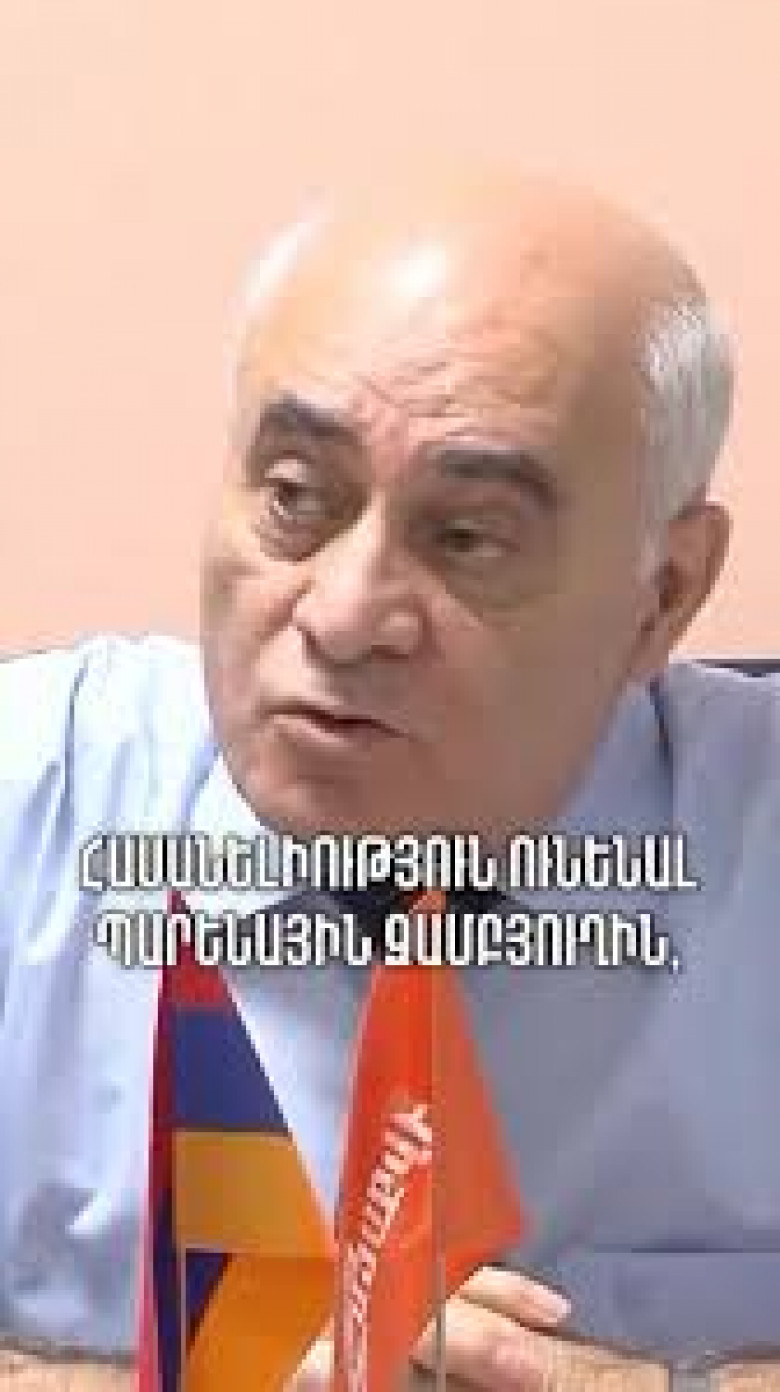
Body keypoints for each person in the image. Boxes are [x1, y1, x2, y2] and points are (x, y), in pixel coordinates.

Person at [1, 163, 779, 1392]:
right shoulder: (27, 798)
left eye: (466, 537)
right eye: (295, 498)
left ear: (663, 595)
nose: (346, 614)